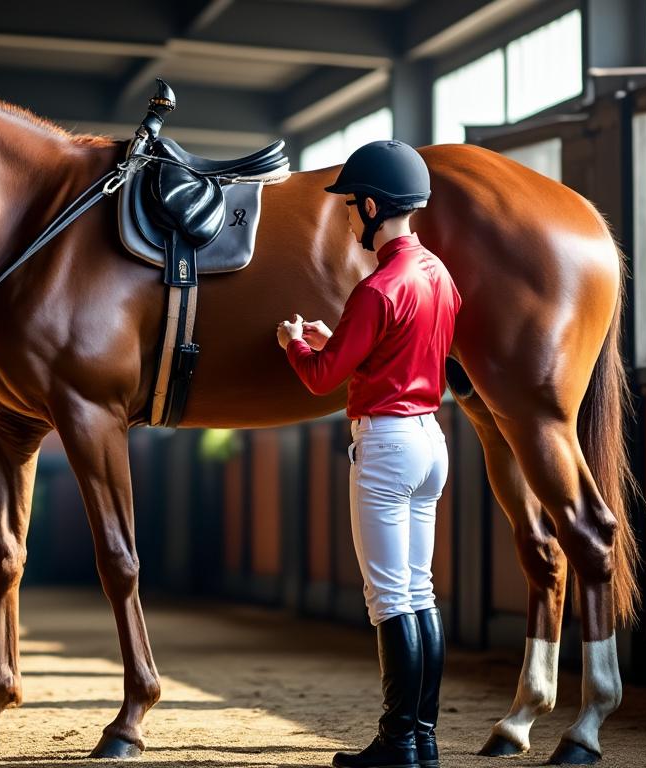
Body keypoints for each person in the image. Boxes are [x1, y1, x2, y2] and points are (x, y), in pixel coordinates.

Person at [276, 141, 460, 768]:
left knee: (389, 599)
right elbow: (402, 348)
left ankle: (395, 741)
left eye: (352, 209)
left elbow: (323, 379)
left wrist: (295, 345)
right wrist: (344, 343)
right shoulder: (438, 275)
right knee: (419, 592)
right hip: (431, 439)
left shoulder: (376, 287)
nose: (349, 220)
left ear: (374, 206)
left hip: (385, 444)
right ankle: (423, 738)